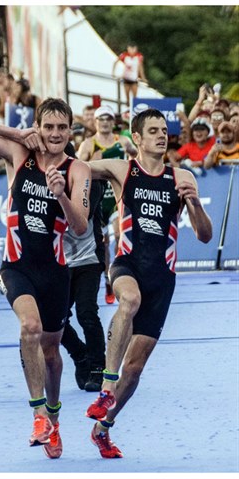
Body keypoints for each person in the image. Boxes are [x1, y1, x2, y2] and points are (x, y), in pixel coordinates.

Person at [0, 98, 91, 459]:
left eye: (61, 128)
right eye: (47, 127)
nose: (54, 134)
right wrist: (17, 132)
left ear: (70, 130)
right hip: (16, 267)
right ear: (38, 127)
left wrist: (61, 194)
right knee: (29, 327)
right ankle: (37, 415)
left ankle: (53, 416)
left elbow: (80, 228)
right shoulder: (19, 154)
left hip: (55, 273)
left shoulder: (78, 169)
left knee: (51, 352)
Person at [83, 108, 212, 459]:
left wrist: (194, 203)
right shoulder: (122, 170)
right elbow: (74, 167)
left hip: (162, 276)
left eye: (164, 130)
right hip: (127, 263)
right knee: (129, 300)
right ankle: (107, 385)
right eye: (152, 130)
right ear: (136, 138)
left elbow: (204, 236)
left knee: (136, 369)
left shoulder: (182, 176)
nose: (161, 135)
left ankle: (103, 428)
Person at [77, 105, 137, 304]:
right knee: (102, 245)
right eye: (101, 119)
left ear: (113, 122)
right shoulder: (88, 144)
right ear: (95, 122)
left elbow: (138, 157)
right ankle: (108, 280)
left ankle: (122, 272)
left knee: (120, 233)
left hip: (116, 198)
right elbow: (75, 168)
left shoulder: (123, 141)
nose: (105, 122)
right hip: (97, 200)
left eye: (108, 119)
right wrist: (89, 164)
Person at [61, 179, 106, 392]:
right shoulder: (40, 181)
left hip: (88, 260)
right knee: (52, 320)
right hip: (60, 262)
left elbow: (81, 218)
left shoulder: (91, 183)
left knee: (87, 313)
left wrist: (59, 193)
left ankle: (98, 367)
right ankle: (80, 355)